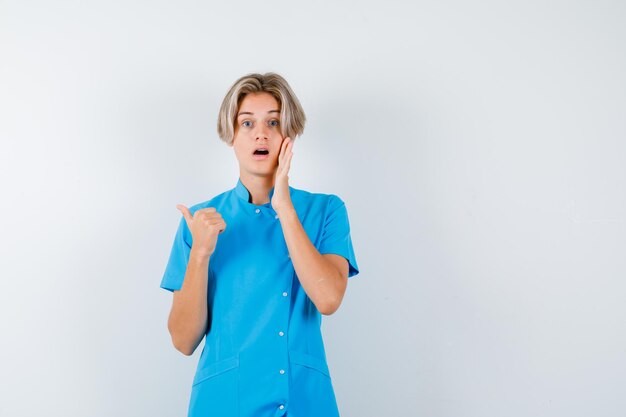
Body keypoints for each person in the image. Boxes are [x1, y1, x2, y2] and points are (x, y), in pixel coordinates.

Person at [160, 72, 360, 417]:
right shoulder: (199, 221)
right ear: (231, 136)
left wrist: (284, 207)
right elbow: (183, 340)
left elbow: (328, 299)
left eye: (274, 122)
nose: (261, 133)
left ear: (289, 135)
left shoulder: (325, 210)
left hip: (303, 400)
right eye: (247, 123)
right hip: (224, 403)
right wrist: (200, 253)